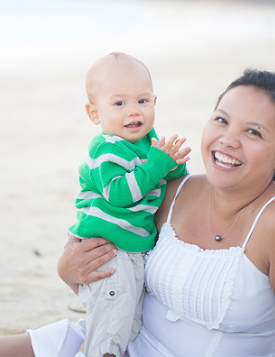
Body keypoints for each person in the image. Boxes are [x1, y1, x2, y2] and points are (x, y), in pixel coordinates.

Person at [0, 68, 275, 357]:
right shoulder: (173, 191)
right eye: (221, 121)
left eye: (253, 132)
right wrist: (69, 271)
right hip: (114, 343)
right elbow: (121, 288)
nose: (228, 140)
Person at [68, 52, 190, 357]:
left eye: (142, 101)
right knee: (111, 331)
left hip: (131, 249)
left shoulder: (148, 142)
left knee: (125, 326)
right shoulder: (106, 149)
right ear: (95, 114)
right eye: (119, 103)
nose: (132, 111)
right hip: (108, 250)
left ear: (154, 103)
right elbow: (119, 194)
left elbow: (169, 184)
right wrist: (158, 165)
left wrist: (173, 164)